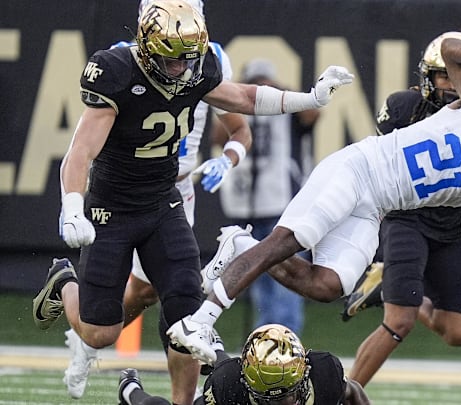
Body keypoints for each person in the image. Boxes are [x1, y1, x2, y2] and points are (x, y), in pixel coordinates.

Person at [167, 35, 461, 366]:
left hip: (379, 208)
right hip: (360, 168)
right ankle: (200, 321)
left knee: (327, 285)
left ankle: (239, 245)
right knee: (292, 237)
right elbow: (450, 48)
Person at [30, 1, 353, 404]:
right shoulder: (114, 69)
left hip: (164, 201)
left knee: (187, 317)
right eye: (171, 59)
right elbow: (81, 151)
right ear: (147, 47)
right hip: (111, 207)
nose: (181, 68)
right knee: (101, 332)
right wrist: (73, 205)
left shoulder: (199, 66)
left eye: (188, 58)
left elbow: (244, 99)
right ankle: (65, 283)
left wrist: (309, 99)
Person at [59, 0, 252, 399]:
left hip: (176, 191)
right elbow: (85, 145)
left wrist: (228, 160)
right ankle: (87, 329)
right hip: (124, 192)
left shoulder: (211, 59)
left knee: (176, 298)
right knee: (143, 298)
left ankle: (181, 397)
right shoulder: (121, 62)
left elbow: (240, 129)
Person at [338, 31, 461, 387]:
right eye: (443, 76)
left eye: (456, 76)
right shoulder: (404, 108)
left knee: (459, 331)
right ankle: (345, 395)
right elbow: (380, 165)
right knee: (398, 323)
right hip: (408, 219)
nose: (451, 85)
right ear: (427, 77)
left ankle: (385, 283)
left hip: (451, 226)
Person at [215, 58, 319, 334]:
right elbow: (216, 135)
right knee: (258, 275)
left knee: (289, 277)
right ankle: (264, 340)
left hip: (284, 207)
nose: (260, 86)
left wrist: (281, 94)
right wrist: (237, 100)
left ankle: (286, 337)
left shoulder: (288, 108)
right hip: (249, 207)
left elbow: (312, 114)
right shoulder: (238, 107)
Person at [118, 323, 370, 405]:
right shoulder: (229, 387)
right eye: (270, 401)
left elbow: (354, 391)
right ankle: (130, 390)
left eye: (288, 395)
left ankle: (216, 349)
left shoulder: (324, 374)